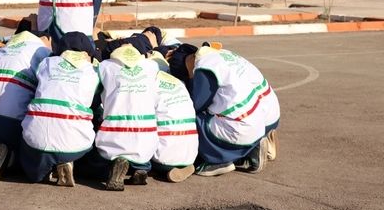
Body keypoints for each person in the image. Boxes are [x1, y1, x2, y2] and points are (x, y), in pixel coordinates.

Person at [169, 42, 280, 177]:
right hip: (266, 116)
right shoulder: (220, 54)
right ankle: (253, 147)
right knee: (225, 112)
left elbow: (196, 105)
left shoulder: (204, 67)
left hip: (244, 127)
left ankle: (218, 161)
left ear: (187, 64)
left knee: (190, 121)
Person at [19, 32, 100, 187]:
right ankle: (65, 161)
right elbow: (96, 104)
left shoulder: (47, 63)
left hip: (36, 137)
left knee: (33, 174)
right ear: (88, 55)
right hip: (75, 143)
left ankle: (46, 169)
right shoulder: (93, 72)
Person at [0, 30, 53, 181]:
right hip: (11, 124)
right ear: (48, 39)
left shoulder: (1, 50)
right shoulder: (44, 54)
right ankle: (11, 158)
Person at [94, 35, 160, 191]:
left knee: (96, 160)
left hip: (115, 132)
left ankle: (119, 161)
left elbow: (94, 99)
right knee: (141, 150)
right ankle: (141, 168)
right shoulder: (151, 67)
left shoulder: (105, 66)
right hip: (146, 132)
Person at [152, 60, 199, 183]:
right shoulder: (180, 83)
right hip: (191, 154)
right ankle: (184, 165)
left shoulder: (149, 85)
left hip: (162, 158)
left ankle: (166, 168)